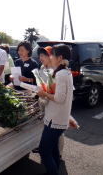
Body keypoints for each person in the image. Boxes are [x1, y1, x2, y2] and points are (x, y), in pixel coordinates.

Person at [37, 44, 74, 175]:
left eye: (52, 54)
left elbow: (59, 98)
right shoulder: (63, 72)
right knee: (53, 149)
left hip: (55, 119)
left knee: (43, 150)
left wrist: (44, 94)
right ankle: (54, 170)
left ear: (60, 57)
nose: (50, 57)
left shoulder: (61, 74)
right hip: (56, 117)